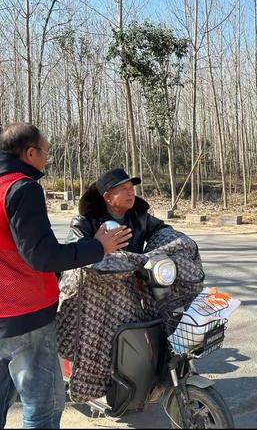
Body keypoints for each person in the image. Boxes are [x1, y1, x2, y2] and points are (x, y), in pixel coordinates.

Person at [0, 123, 132, 429]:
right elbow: (43, 256)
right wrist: (99, 247)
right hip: (25, 315)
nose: (47, 159)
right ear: (30, 153)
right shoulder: (22, 188)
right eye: (46, 152)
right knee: (42, 405)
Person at [66, 167, 170, 250]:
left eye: (131, 188)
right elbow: (73, 252)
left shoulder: (140, 217)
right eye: (123, 189)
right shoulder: (85, 223)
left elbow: (163, 231)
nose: (130, 193)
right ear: (108, 197)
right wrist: (97, 245)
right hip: (98, 275)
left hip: (134, 274)